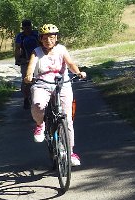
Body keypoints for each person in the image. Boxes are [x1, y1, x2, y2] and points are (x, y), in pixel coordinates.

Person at [23, 23, 87, 166]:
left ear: (56, 38)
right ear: (40, 39)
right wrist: (28, 76)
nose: (49, 40)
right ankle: (40, 124)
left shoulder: (61, 49)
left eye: (52, 37)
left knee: (67, 119)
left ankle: (70, 152)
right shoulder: (36, 51)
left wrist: (78, 72)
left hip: (62, 85)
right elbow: (31, 67)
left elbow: (70, 63)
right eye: (45, 38)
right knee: (38, 104)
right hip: (42, 84)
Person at [14, 19, 40, 110]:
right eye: (25, 27)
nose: (27, 29)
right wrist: (18, 59)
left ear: (31, 27)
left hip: (38, 58)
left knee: (40, 78)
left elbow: (42, 44)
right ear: (23, 28)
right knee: (26, 80)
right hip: (25, 60)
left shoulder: (36, 34)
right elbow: (17, 48)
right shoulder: (20, 36)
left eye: (29, 27)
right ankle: (26, 98)